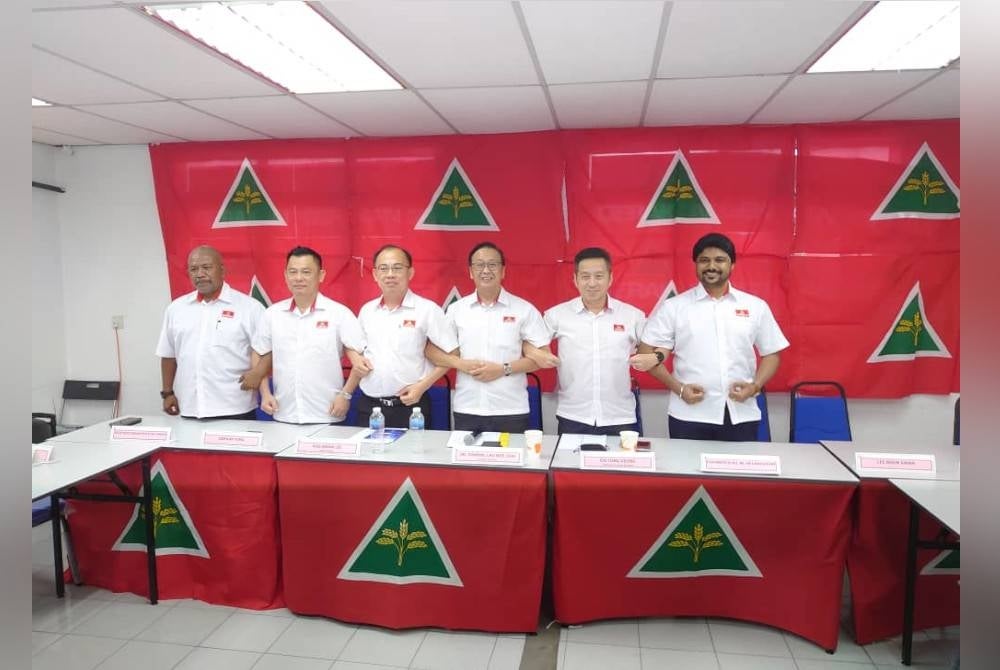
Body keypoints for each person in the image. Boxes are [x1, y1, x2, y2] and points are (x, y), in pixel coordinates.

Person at [630, 233, 789, 441]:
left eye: (719, 260)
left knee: (739, 464)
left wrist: (754, 387)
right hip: (688, 414)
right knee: (686, 464)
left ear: (732, 265)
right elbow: (645, 354)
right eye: (704, 260)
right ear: (696, 265)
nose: (711, 266)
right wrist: (679, 389)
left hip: (741, 413)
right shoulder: (674, 307)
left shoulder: (755, 306)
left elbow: (772, 353)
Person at [428, 242, 551, 433]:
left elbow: (543, 359)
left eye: (492, 264)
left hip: (511, 409)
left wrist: (503, 369)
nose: (486, 270)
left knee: (511, 454)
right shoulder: (456, 310)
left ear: (503, 271)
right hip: (467, 407)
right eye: (479, 265)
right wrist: (459, 364)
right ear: (471, 272)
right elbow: (432, 351)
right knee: (466, 454)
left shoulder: (524, 310)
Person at [532, 247, 646, 436]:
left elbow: (653, 349)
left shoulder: (633, 316)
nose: (592, 283)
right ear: (575, 280)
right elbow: (530, 343)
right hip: (573, 415)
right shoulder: (556, 315)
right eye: (585, 277)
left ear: (610, 278)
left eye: (599, 276)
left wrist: (650, 357)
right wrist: (538, 353)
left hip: (620, 416)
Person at [246, 246, 365, 424]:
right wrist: (265, 393)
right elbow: (259, 353)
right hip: (284, 412)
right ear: (285, 275)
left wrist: (346, 395)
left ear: (321, 275)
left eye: (306, 272)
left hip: (327, 413)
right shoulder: (273, 314)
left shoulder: (339, 314)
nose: (299, 278)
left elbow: (360, 360)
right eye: (293, 272)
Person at [346, 245, 457, 429]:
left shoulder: (427, 310)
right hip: (370, 407)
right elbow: (355, 349)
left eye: (397, 268)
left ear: (410, 272)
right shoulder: (367, 311)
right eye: (384, 268)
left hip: (412, 408)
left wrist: (422, 386)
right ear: (375, 274)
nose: (390, 274)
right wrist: (354, 364)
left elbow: (453, 353)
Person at [156, 245, 264, 420]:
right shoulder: (176, 309)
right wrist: (167, 393)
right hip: (190, 407)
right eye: (193, 269)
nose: (200, 274)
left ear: (222, 270)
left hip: (235, 408)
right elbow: (168, 354)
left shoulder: (249, 308)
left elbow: (266, 351)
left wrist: (258, 373)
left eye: (206, 267)